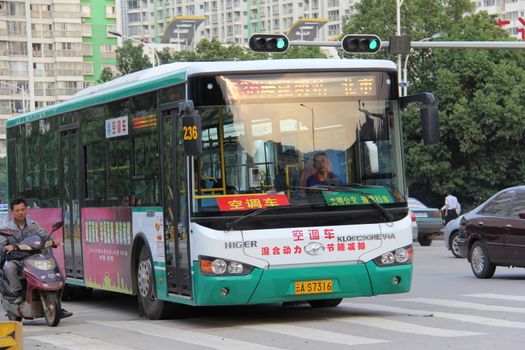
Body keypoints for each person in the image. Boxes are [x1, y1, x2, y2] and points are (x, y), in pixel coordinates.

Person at [0, 197, 72, 318]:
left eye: (23, 209)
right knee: (10, 268)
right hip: (17, 260)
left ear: (26, 210)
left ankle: (57, 305)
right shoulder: (7, 229)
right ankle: (17, 294)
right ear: (12, 212)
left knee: (52, 270)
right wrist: (6, 247)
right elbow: (2, 244)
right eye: (17, 210)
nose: (20, 212)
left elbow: (44, 236)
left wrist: (53, 241)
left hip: (34, 258)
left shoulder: (33, 226)